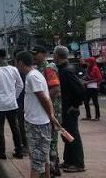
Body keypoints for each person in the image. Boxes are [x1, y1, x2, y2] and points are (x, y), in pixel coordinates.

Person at [15, 51, 61, 178]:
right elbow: (46, 98)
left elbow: (45, 99)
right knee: (44, 158)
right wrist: (51, 116)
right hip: (40, 122)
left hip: (36, 124)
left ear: (20, 63)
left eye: (16, 63)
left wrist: (51, 117)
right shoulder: (36, 74)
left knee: (36, 162)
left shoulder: (32, 76)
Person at [0, 49, 24, 159]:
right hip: (12, 105)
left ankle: (1, 153)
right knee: (15, 128)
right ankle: (19, 151)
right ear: (6, 57)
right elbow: (20, 85)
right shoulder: (14, 70)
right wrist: (14, 97)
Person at [54, 46, 86, 173]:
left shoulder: (67, 70)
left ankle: (78, 164)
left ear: (57, 56)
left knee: (73, 136)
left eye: (55, 55)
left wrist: (75, 105)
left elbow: (80, 90)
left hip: (70, 109)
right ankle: (68, 161)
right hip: (65, 108)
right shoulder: (63, 69)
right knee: (66, 135)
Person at [31, 45, 62, 176]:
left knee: (52, 140)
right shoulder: (38, 68)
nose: (34, 57)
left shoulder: (49, 68)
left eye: (36, 54)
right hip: (46, 110)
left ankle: (54, 168)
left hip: (51, 110)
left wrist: (45, 103)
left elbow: (55, 89)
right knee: (47, 140)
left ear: (43, 54)